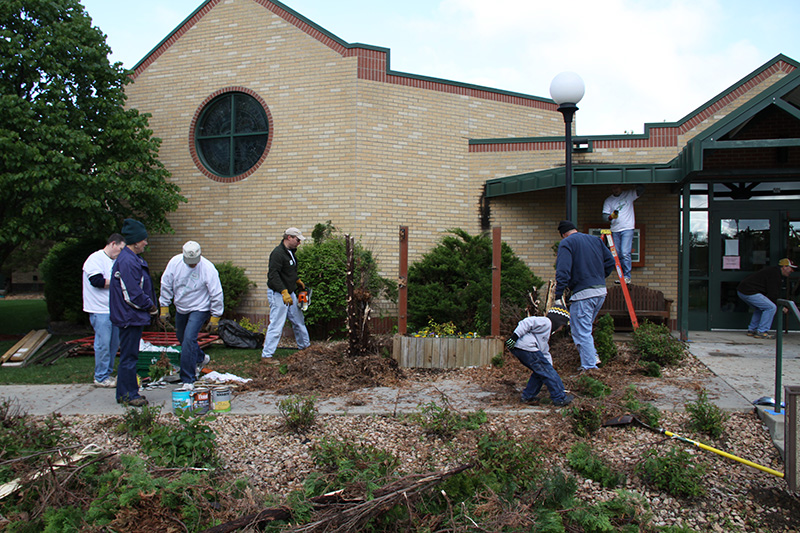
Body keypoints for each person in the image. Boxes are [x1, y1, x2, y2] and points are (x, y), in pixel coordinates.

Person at [160, 241, 224, 389]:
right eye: (189, 262)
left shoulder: (208, 268)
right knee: (182, 339)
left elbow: (216, 293)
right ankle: (201, 358)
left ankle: (188, 379)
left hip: (200, 307)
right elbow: (166, 284)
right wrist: (164, 306)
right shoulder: (175, 263)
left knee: (189, 339)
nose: (192, 265)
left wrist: (215, 317)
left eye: (195, 262)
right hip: (181, 306)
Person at [555, 220, 616, 372]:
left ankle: (589, 368)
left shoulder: (567, 243)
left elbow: (563, 270)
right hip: (600, 291)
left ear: (563, 234)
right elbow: (610, 261)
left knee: (580, 331)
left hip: (583, 293)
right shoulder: (594, 240)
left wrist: (558, 295)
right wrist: (600, 277)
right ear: (575, 229)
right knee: (585, 328)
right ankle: (592, 356)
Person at [110, 219, 157, 407]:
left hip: (132, 316)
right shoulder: (128, 261)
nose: (146, 242)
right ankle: (128, 395)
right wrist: (150, 306)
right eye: (143, 239)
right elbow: (132, 294)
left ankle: (126, 392)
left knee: (130, 356)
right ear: (135, 241)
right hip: (129, 316)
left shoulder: (131, 259)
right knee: (129, 357)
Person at [505, 305, 574, 406]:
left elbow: (544, 351)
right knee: (548, 373)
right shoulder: (546, 322)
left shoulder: (544, 334)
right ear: (558, 321)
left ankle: (528, 396)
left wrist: (549, 365)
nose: (560, 329)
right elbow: (527, 322)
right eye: (562, 326)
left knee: (540, 372)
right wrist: (514, 337)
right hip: (527, 348)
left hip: (523, 349)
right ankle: (559, 398)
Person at [261, 227, 311, 364]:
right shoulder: (277, 253)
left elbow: (288, 271)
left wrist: (296, 281)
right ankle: (267, 355)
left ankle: (305, 348)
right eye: (297, 239)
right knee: (277, 324)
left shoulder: (290, 252)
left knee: (298, 321)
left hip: (290, 293)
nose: (299, 242)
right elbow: (273, 275)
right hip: (278, 294)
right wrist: (283, 291)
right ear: (289, 237)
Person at [82, 234, 126, 387]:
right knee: (103, 343)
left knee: (113, 343)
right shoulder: (95, 259)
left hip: (112, 309)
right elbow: (97, 281)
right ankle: (100, 377)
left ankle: (107, 373)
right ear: (113, 244)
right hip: (99, 309)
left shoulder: (113, 261)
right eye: (120, 249)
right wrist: (119, 282)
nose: (120, 252)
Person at [737, 258, 797, 339]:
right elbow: (772, 294)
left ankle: (752, 330)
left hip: (743, 290)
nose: (792, 271)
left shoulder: (774, 272)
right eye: (791, 268)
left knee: (761, 308)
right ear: (784, 267)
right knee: (771, 307)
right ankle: (762, 331)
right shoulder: (775, 274)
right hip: (749, 291)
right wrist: (781, 307)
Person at [602, 184, 644, 284]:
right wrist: (611, 217)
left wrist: (633, 179)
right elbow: (604, 216)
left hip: (627, 228)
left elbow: (641, 189)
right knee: (617, 254)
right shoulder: (609, 200)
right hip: (615, 229)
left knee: (625, 253)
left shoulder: (629, 195)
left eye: (617, 187)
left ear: (621, 187)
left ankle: (627, 276)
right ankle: (621, 277)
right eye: (613, 188)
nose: (615, 189)